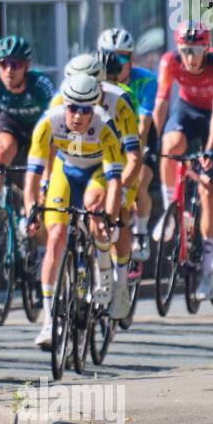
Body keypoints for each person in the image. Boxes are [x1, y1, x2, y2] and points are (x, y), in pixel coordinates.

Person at [24, 73, 125, 348]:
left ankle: (104, 270)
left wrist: (110, 217)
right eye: (73, 108)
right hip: (66, 170)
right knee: (55, 236)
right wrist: (31, 211)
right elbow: (32, 176)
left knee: (95, 210)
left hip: (97, 173)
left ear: (95, 108)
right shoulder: (49, 122)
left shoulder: (105, 126)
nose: (78, 116)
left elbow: (115, 181)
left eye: (85, 109)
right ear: (64, 104)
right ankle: (48, 322)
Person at [50, 52, 142, 318]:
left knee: (115, 218)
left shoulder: (120, 102)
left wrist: (122, 190)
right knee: (61, 218)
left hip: (116, 162)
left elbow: (134, 155)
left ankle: (120, 283)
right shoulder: (64, 102)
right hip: (77, 159)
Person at [152, 20, 213, 300]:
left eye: (196, 51)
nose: (189, 58)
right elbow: (162, 102)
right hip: (186, 110)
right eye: (185, 50)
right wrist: (154, 140)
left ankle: (207, 273)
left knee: (209, 189)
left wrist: (210, 150)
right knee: (170, 145)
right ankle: (171, 213)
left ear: (206, 49)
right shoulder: (169, 61)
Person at [98, 27, 158, 260]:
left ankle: (141, 232)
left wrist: (135, 157)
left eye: (121, 57)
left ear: (131, 59)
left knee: (140, 180)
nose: (116, 62)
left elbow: (143, 124)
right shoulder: (96, 80)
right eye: (109, 55)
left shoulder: (145, 80)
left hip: (139, 135)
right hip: (112, 138)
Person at [0, 35, 56, 207]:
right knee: (1, 151)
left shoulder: (41, 85)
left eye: (15, 64)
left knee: (49, 155)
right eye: (3, 64)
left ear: (26, 66)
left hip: (40, 126)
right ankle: (0, 208)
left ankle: (38, 203)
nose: (9, 70)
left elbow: (56, 124)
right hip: (11, 122)